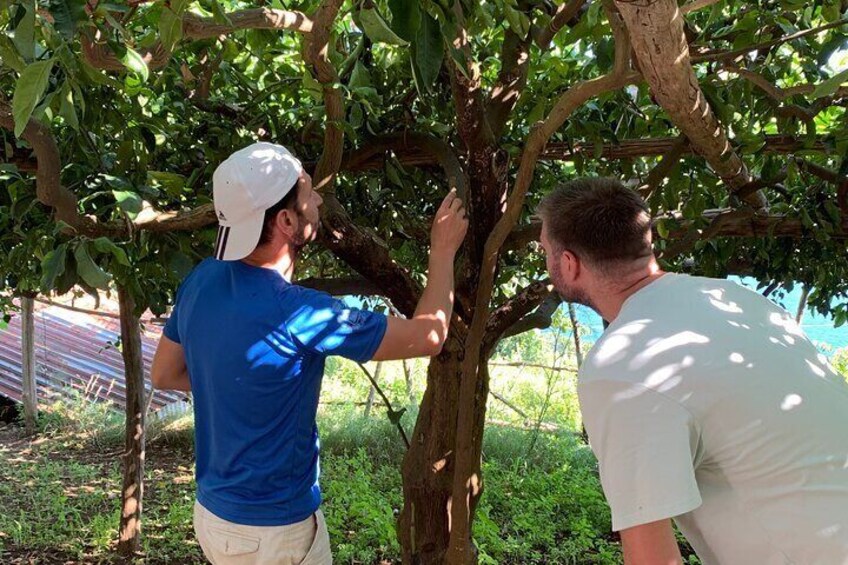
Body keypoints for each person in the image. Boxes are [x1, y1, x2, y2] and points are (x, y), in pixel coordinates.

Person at [151, 142, 468, 565]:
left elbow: (165, 374)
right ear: (286, 220)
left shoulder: (202, 279)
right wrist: (443, 250)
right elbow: (429, 336)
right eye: (307, 194)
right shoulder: (301, 312)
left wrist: (234, 384)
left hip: (213, 516)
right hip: (273, 534)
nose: (319, 199)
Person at [536, 177, 848, 564]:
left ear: (568, 263)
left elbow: (654, 558)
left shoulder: (621, 366)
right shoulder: (740, 301)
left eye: (545, 250)